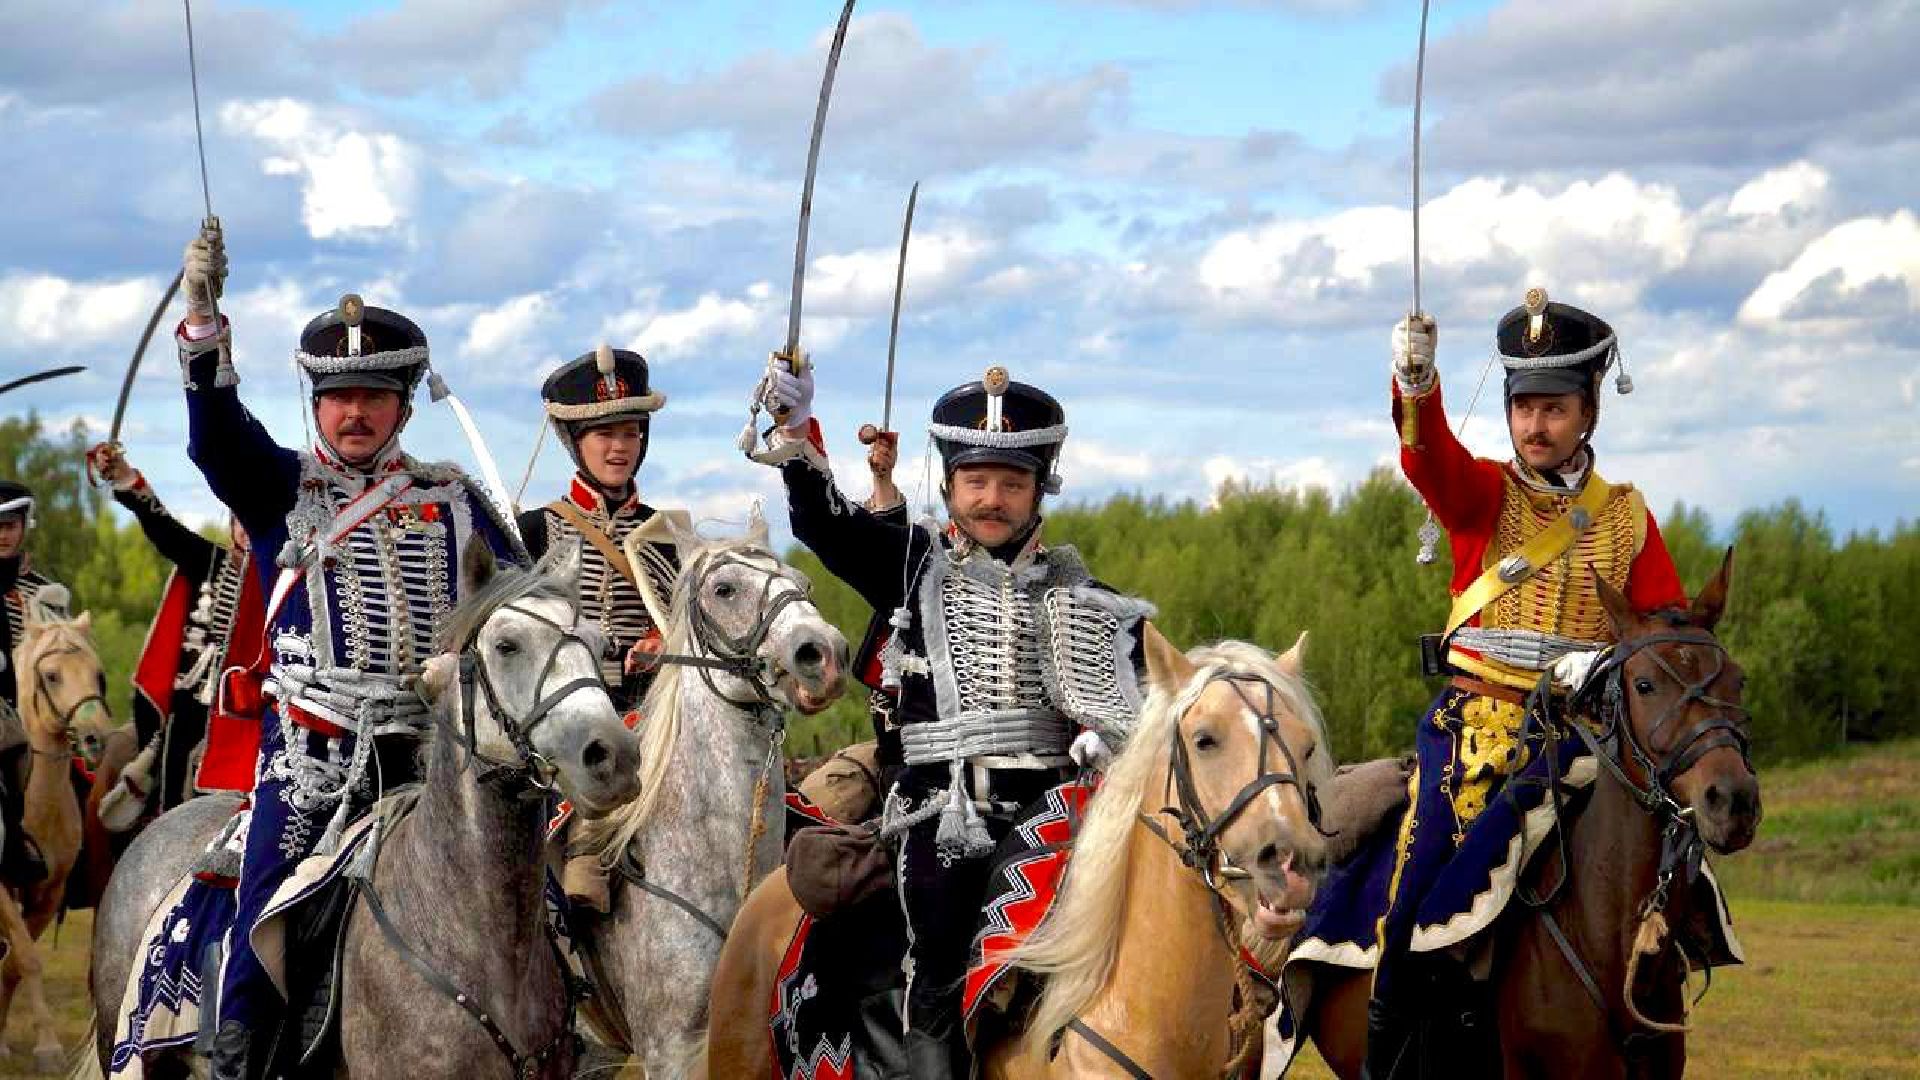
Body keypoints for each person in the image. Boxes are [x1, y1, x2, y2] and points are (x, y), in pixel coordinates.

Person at [173, 225, 524, 1079]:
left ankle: (553, 1033)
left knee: (530, 883)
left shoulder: (454, 496)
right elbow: (216, 438)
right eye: (337, 397)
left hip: (433, 752)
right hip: (315, 753)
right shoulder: (278, 485)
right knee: (269, 891)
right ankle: (241, 1051)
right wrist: (203, 320)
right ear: (315, 405)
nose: (354, 413)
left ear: (403, 404)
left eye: (373, 395)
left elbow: (523, 607)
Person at [756, 359, 1153, 1079]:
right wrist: (794, 429)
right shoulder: (911, 564)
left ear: (1041, 488)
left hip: (1062, 807)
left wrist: (1110, 735)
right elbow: (823, 522)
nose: (992, 499)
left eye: (1011, 483)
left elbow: (1141, 709)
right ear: (950, 485)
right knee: (936, 949)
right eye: (977, 482)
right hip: (946, 811)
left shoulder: (1089, 595)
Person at [1362, 291, 1687, 1078]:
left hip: (1586, 737)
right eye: (1522, 408)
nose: (1535, 426)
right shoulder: (1484, 496)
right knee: (1420, 879)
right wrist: (1416, 383)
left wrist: (1613, 668)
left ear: (1588, 414)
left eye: (1554, 408)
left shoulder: (1630, 519)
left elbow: (1667, 637)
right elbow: (1427, 458)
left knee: (1677, 866)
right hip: (1480, 729)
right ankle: (1390, 1042)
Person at [87, 443, 263, 810]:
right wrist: (126, 479)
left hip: (251, 712)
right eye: (239, 519)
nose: (246, 530)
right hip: (191, 707)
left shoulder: (281, 579)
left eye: (255, 520)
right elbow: (163, 528)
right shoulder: (210, 560)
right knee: (168, 788)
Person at [516, 345, 678, 714]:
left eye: (630, 433)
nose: (619, 448)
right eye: (604, 434)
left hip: (651, 710)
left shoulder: (665, 533)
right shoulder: (534, 530)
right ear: (575, 442)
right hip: (560, 710)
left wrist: (661, 642)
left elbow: (686, 622)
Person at [0, 478, 67, 882]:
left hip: (38, 714)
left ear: (26, 527)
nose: (2, 535)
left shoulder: (46, 593)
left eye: (10, 525)